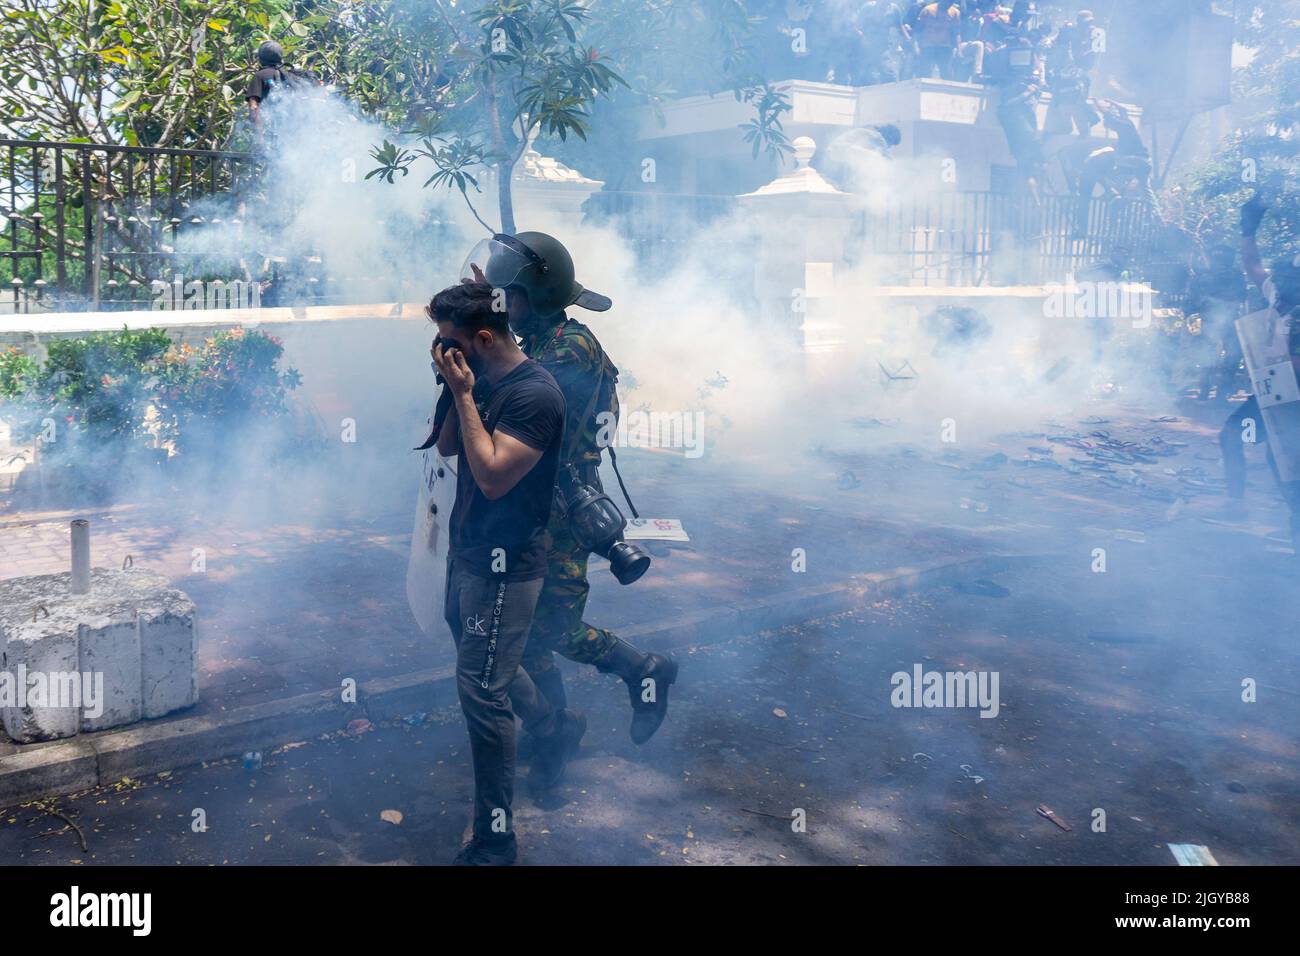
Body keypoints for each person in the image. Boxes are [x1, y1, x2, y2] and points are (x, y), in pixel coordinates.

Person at [463, 233, 680, 750]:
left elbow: (512, 393)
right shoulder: (538, 340)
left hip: (566, 506)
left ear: (534, 298)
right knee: (529, 633)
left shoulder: (571, 349)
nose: (502, 308)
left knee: (556, 628)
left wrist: (481, 333)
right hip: (530, 502)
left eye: (506, 298)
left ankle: (643, 668)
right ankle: (554, 737)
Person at [428, 281, 587, 866]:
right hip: (467, 552)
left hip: (507, 566)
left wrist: (465, 394)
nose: (443, 351)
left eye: (450, 343)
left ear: (484, 339)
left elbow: (493, 475)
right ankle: (553, 726)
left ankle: (496, 841)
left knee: (482, 692)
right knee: (491, 661)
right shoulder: (480, 380)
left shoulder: (535, 395)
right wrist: (452, 387)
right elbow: (447, 447)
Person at [1216, 198, 1300, 536]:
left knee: (1286, 465)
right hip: (1278, 392)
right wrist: (1247, 230)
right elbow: (1253, 267)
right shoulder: (1279, 295)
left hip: (1290, 397)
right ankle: (1238, 502)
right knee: (1237, 436)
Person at [244, 41, 319, 140]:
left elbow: (254, 108)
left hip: (275, 135)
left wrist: (260, 140)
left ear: (261, 58)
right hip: (296, 135)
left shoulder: (260, 76)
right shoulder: (290, 76)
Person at [913, 1, 962, 79]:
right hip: (928, 46)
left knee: (947, 73)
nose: (948, 3)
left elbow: (956, 33)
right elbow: (917, 31)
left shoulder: (955, 12)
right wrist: (916, 47)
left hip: (945, 47)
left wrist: (959, 50)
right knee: (925, 72)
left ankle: (947, 90)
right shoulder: (928, 10)